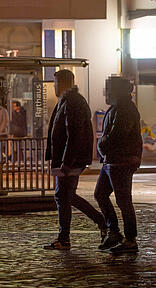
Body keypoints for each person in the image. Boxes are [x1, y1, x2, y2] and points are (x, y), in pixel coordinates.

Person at [43, 69, 104, 250]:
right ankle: (101, 223)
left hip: (69, 160)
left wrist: (66, 162)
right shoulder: (69, 101)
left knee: (63, 196)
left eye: (54, 84)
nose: (53, 87)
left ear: (61, 84)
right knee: (66, 196)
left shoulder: (72, 102)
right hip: (68, 158)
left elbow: (74, 135)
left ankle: (67, 237)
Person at [95, 76, 143, 254]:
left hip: (121, 160)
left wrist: (101, 144)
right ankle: (114, 232)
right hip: (112, 160)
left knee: (123, 201)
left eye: (108, 89)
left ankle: (130, 239)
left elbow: (117, 135)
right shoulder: (117, 107)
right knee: (100, 194)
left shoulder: (124, 109)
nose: (105, 93)